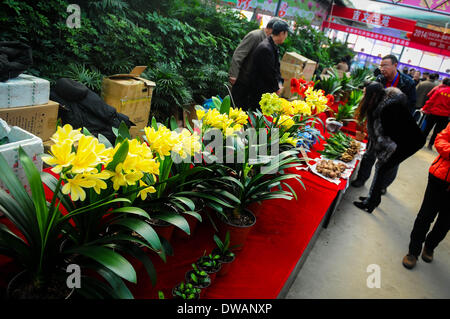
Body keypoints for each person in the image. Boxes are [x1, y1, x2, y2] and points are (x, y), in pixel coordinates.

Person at [353, 83, 425, 213]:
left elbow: (389, 139)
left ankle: (370, 203)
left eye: (366, 94)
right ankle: (373, 198)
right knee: (381, 170)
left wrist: (383, 155)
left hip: (407, 144)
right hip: (402, 140)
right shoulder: (382, 102)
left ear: (373, 95)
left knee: (381, 169)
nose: (364, 96)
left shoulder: (388, 109)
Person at [351, 55, 417, 194]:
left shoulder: (408, 83)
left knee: (390, 160)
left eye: (385, 65)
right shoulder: (379, 79)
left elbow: (410, 107)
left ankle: (382, 185)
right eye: (381, 65)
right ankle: (361, 178)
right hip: (376, 124)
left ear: (395, 65)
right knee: (369, 153)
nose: (382, 68)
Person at [402, 123, 450, 269]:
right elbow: (440, 139)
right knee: (425, 216)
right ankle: (413, 251)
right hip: (439, 178)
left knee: (445, 223)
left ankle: (430, 246)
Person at [228, 17, 281, 109]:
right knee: (236, 108)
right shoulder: (255, 36)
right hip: (242, 80)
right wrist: (233, 75)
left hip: (253, 84)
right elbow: (239, 54)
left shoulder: (270, 42)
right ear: (271, 29)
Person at [247, 20, 290, 110]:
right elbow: (268, 73)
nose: (286, 36)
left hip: (264, 92)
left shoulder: (272, 46)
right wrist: (276, 87)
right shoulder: (266, 48)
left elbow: (276, 68)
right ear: (282, 33)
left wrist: (279, 83)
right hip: (259, 93)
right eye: (286, 34)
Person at [421, 77, 450, 149]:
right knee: (437, 131)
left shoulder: (439, 90)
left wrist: (424, 108)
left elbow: (431, 100)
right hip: (444, 116)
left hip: (433, 112)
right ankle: (430, 145)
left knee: (427, 128)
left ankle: (421, 142)